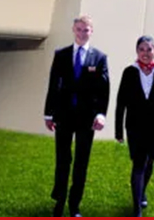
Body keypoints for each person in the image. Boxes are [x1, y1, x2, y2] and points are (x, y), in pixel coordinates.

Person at [43, 15, 110, 217]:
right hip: (63, 115)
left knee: (81, 162)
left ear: (91, 31)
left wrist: (101, 114)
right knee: (63, 160)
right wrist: (48, 114)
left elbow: (103, 90)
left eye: (86, 30)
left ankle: (74, 205)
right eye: (79, 29)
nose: (82, 33)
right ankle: (59, 201)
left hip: (86, 119)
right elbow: (53, 85)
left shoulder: (99, 58)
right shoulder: (61, 54)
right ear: (73, 30)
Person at [114, 36, 154, 217]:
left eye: (149, 49)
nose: (145, 53)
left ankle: (142, 192)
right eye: (141, 49)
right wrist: (119, 130)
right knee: (139, 163)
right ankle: (137, 209)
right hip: (134, 127)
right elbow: (121, 103)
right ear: (137, 51)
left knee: (150, 161)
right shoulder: (129, 72)